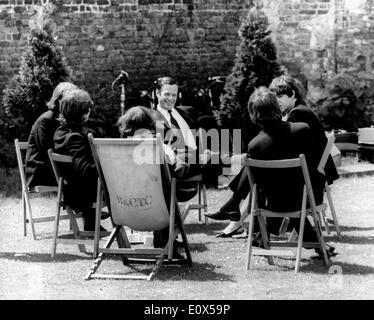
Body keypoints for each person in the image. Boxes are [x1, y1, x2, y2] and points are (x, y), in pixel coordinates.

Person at [210, 87, 334, 256]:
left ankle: (236, 206)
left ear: (253, 115)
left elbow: (258, 182)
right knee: (288, 187)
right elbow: (314, 165)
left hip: (274, 204)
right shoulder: (302, 129)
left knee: (254, 169)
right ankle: (236, 207)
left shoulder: (256, 144)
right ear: (277, 108)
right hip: (309, 197)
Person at [117, 106, 202, 258]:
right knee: (168, 184)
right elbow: (173, 165)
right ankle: (167, 244)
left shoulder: (118, 149)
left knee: (162, 187)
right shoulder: (157, 144)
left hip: (125, 203)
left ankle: (177, 191)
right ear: (150, 124)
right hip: (156, 201)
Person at [53, 88, 104, 231]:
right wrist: (106, 165)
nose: (89, 112)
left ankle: (91, 223)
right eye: (88, 109)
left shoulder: (60, 132)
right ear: (82, 113)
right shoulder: (75, 137)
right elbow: (85, 169)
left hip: (71, 189)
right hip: (82, 194)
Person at [25, 82, 77, 188]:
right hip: (40, 170)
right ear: (58, 100)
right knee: (79, 176)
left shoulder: (67, 118)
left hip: (56, 166)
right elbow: (46, 151)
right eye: (67, 100)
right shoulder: (45, 120)